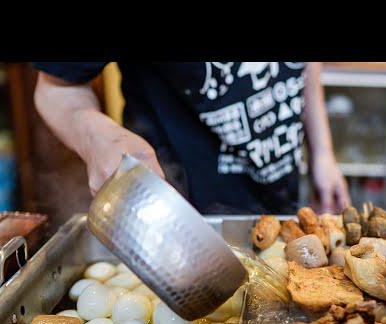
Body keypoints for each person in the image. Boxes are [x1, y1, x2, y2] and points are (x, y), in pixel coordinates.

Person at [33, 62, 350, 214]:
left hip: (280, 200)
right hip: (177, 221)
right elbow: (55, 89)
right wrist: (100, 140)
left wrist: (322, 152)